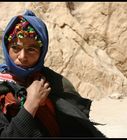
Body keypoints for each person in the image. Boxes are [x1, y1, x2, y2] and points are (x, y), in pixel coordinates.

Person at [0, 10, 106, 138]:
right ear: (7, 47)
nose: (22, 57)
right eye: (15, 48)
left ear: (42, 52)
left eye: (31, 49)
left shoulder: (56, 83)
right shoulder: (2, 86)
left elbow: (77, 129)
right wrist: (32, 103)